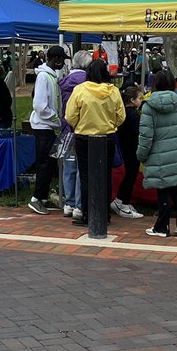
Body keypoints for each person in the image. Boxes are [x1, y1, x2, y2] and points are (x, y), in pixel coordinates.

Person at [64, 59, 126, 227]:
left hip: (84, 137)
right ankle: (105, 215)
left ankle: (87, 214)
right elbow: (121, 117)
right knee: (105, 175)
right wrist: (110, 124)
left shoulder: (80, 90)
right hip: (107, 137)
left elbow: (69, 116)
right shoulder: (113, 92)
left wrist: (80, 124)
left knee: (85, 177)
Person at [137, 72, 177, 237]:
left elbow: (145, 136)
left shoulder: (148, 106)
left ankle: (162, 227)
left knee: (162, 188)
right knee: (175, 187)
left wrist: (141, 155)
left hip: (158, 154)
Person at [28, 45, 67, 214]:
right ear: (54, 59)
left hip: (48, 126)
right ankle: (36, 198)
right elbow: (40, 106)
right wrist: (56, 120)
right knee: (44, 164)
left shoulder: (50, 76)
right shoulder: (44, 77)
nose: (63, 63)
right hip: (43, 126)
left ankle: (43, 197)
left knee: (50, 163)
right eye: (62, 60)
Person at [57, 50, 92, 219]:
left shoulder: (64, 82)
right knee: (82, 170)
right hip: (83, 129)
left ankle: (68, 203)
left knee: (69, 168)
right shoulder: (87, 82)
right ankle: (79, 205)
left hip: (66, 129)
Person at [110, 84, 145, 219]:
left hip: (126, 148)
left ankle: (123, 201)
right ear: (132, 100)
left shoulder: (124, 112)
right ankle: (122, 202)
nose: (141, 101)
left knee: (130, 176)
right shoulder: (134, 115)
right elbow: (137, 133)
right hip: (132, 149)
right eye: (139, 98)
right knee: (131, 176)